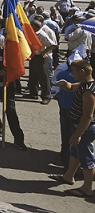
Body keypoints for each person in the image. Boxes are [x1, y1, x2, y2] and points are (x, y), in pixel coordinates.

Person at [53, 59, 95, 198]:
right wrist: (65, 84)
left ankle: (87, 188)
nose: (72, 74)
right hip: (77, 126)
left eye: (74, 72)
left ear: (82, 72)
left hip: (84, 129)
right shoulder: (84, 84)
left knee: (87, 158)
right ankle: (68, 176)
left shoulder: (89, 91)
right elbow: (72, 87)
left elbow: (87, 116)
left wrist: (78, 134)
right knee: (75, 152)